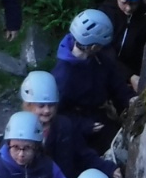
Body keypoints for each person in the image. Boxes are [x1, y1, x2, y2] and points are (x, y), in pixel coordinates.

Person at [53, 9, 133, 149]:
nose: (103, 48)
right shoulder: (63, 77)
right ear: (94, 46)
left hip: (100, 115)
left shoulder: (97, 58)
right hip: (84, 128)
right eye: (101, 46)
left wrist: (129, 98)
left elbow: (113, 79)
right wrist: (82, 125)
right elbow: (56, 113)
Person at [19, 69, 115, 178]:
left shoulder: (64, 126)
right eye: (41, 106)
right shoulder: (19, 130)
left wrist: (109, 169)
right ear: (28, 105)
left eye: (51, 105)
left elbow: (83, 154)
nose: (47, 110)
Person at [97, 0, 146, 90]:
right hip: (105, 72)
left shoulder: (143, 19)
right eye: (124, 2)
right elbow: (103, 50)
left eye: (133, 3)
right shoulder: (105, 15)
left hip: (128, 79)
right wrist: (129, 75)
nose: (128, 8)